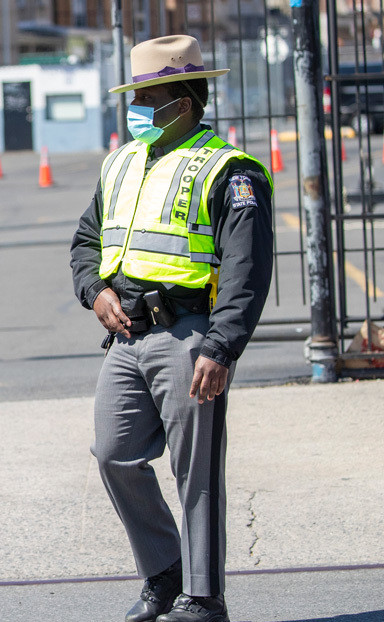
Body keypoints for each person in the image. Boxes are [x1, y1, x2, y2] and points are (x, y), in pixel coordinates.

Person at [69, 35, 273, 622]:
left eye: (147, 97)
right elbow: (86, 242)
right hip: (126, 334)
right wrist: (95, 292)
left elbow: (246, 269)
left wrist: (221, 346)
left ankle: (204, 597)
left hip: (188, 335)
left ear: (182, 100)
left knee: (197, 469)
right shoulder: (122, 163)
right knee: (112, 454)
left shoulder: (228, 171)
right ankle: (164, 571)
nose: (135, 110)